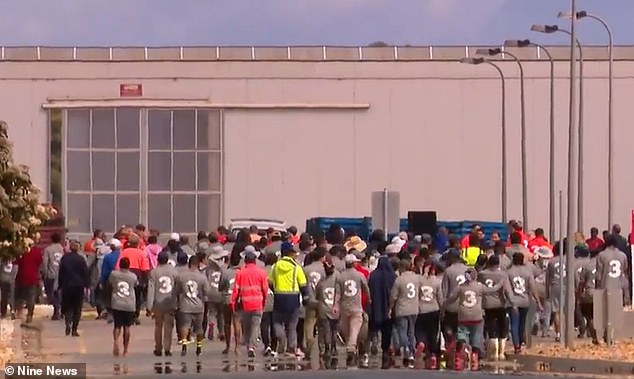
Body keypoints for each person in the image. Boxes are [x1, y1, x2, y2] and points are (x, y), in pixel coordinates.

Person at [443, 268, 502, 371]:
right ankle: (474, 356)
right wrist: (501, 283)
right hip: (477, 317)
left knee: (462, 336)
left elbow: (451, 298)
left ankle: (458, 356)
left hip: (463, 316)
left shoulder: (460, 287)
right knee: (476, 337)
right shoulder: (479, 287)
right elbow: (492, 290)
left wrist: (444, 304)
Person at [268, 242, 309, 357]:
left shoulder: (275, 266)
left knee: (277, 321)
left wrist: (276, 289)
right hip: (293, 298)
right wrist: (305, 298)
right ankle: (291, 348)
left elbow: (270, 282)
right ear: (291, 253)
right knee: (292, 325)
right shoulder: (296, 267)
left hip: (279, 297)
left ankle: (281, 337)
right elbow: (303, 284)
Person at [231, 248, 269, 358]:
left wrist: (233, 304)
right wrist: (264, 301)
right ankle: (252, 347)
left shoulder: (240, 273)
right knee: (256, 325)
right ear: (255, 261)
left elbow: (236, 290)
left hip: (245, 304)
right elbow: (265, 289)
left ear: (245, 261)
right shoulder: (261, 273)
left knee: (246, 327)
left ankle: (248, 345)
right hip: (258, 303)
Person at [335, 253, 370, 367]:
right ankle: (351, 349)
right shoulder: (360, 275)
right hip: (356, 307)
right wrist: (369, 299)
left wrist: (335, 305)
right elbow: (366, 288)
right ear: (354, 263)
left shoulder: (340, 276)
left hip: (345, 307)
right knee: (354, 330)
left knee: (347, 331)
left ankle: (351, 348)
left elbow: (338, 293)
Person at [477, 255, 511, 361]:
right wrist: (511, 301)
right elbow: (507, 290)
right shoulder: (503, 274)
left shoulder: (482, 274)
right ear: (498, 264)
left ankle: (494, 352)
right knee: (502, 327)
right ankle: (501, 352)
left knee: (491, 327)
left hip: (487, 304)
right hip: (501, 303)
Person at [507, 252, 541, 354]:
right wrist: (538, 302)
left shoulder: (508, 272)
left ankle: (516, 345)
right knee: (522, 323)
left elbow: (507, 289)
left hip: (513, 301)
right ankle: (521, 341)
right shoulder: (527, 272)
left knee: (514, 323)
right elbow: (533, 288)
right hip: (525, 300)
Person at [175, 255, 210, 356]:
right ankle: (199, 347)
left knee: (185, 326)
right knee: (199, 327)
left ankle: (184, 345)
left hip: (185, 305)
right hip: (198, 305)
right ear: (198, 264)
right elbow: (207, 291)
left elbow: (177, 290)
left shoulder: (182, 276)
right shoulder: (202, 277)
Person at [147, 251, 178, 357]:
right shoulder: (174, 272)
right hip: (170, 302)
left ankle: (158, 347)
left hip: (158, 303)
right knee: (169, 327)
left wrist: (149, 306)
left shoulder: (154, 272)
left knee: (158, 326)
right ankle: (167, 347)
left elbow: (151, 290)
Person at [390, 259, 420, 367]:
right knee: (411, 332)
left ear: (401, 268)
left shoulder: (399, 280)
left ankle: (406, 347)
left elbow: (393, 296)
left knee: (402, 331)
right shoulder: (417, 278)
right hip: (414, 308)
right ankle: (412, 352)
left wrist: (390, 307)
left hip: (402, 309)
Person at [368, 256, 396, 369]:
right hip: (388, 309)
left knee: (374, 327)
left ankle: (374, 341)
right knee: (387, 332)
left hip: (376, 307)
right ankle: (385, 352)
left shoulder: (373, 275)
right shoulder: (392, 276)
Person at [440, 249, 468, 362]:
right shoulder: (469, 270)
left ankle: (451, 341)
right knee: (462, 329)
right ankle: (459, 350)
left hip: (451, 305)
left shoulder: (448, 271)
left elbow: (444, 291)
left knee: (448, 326)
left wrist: (442, 307)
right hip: (465, 305)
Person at [116, 235, 150, 324]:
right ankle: (135, 315)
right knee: (137, 297)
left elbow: (118, 266)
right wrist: (145, 280)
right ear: (138, 243)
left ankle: (128, 315)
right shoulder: (141, 253)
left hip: (125, 274)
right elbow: (145, 268)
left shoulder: (124, 252)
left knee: (126, 296)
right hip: (137, 275)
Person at [57, 241, 89, 337]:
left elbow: (61, 273)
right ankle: (74, 329)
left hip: (67, 285)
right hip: (79, 286)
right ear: (78, 249)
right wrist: (87, 286)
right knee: (77, 308)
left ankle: (67, 323)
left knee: (68, 306)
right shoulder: (81, 259)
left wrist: (60, 285)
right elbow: (85, 273)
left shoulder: (65, 258)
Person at [416, 260, 444, 369]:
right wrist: (442, 310)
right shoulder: (436, 281)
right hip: (434, 309)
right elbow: (440, 298)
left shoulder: (419, 280)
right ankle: (433, 354)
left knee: (420, 331)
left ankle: (421, 343)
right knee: (433, 333)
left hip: (421, 309)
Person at [109, 257, 137, 357]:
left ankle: (116, 341)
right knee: (127, 327)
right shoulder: (133, 276)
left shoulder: (114, 274)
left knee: (117, 325)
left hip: (117, 302)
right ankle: (125, 349)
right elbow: (136, 284)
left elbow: (111, 283)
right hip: (129, 303)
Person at [302, 247, 327, 360]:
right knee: (322, 325)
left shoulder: (306, 269)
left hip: (310, 299)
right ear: (322, 258)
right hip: (323, 300)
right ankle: (322, 347)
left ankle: (309, 340)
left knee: (309, 323)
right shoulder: (325, 270)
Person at [315, 255, 339, 366]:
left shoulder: (321, 282)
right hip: (335, 308)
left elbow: (317, 295)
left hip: (324, 308)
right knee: (334, 330)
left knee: (326, 331)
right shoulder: (339, 278)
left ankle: (328, 348)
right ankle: (333, 347)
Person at [219, 250, 242, 354]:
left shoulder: (225, 272)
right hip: (238, 299)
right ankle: (237, 346)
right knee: (237, 322)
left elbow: (220, 287)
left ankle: (228, 346)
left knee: (227, 323)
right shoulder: (241, 272)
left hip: (227, 298)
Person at [15, 240, 43, 324]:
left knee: (19, 296)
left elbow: (17, 262)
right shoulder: (37, 252)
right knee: (30, 297)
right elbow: (39, 262)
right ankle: (29, 315)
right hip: (32, 278)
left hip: (21, 277)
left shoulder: (21, 252)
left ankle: (19, 313)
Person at [595, 234, 628, 301]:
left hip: (606, 287)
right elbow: (625, 272)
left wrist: (597, 289)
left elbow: (598, 275)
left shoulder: (601, 255)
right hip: (619, 287)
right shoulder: (623, 255)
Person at [205, 245, 228, 341]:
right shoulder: (225, 268)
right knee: (221, 314)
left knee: (212, 312)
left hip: (211, 291)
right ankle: (221, 331)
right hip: (221, 292)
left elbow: (206, 280)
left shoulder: (208, 269)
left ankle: (211, 325)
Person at [546, 240, 567, 342]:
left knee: (556, 310)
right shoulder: (569, 260)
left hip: (555, 285)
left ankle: (558, 333)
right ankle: (566, 331)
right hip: (567, 285)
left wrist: (547, 291)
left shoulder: (552, 261)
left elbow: (548, 278)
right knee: (566, 310)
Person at [578, 247, 598, 344]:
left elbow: (582, 282)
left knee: (590, 316)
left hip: (589, 292)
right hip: (600, 292)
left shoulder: (587, 266)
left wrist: (580, 293)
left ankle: (593, 335)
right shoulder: (601, 265)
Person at [42, 232, 64, 320]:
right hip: (61, 274)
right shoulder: (63, 249)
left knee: (52, 294)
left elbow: (45, 263)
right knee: (60, 293)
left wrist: (45, 273)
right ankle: (62, 311)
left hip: (51, 274)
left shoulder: (48, 249)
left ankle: (56, 311)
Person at [261, 251, 278, 357]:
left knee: (264, 324)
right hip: (275, 300)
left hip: (263, 300)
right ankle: (274, 346)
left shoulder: (261, 271)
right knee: (274, 324)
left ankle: (266, 344)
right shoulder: (276, 271)